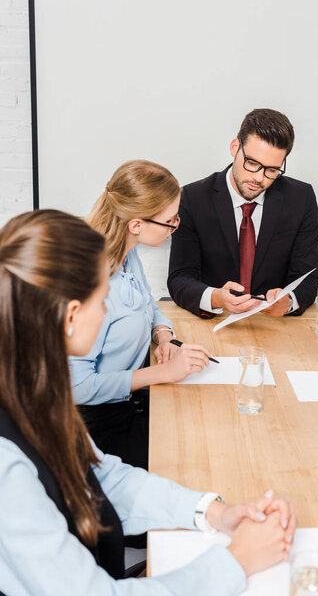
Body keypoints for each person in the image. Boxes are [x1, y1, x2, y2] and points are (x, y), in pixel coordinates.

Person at [0, 209, 296, 595]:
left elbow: (101, 478)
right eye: (103, 300)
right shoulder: (7, 465)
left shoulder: (35, 389)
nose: (108, 311)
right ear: (72, 315)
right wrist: (237, 561)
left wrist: (214, 512)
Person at [70, 160, 212, 470]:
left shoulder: (126, 251)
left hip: (131, 403)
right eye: (170, 221)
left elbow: (148, 303)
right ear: (137, 224)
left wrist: (165, 337)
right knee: (189, 460)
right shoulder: (90, 282)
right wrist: (162, 374)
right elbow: (77, 387)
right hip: (93, 427)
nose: (176, 227)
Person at [168, 108, 318, 318]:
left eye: (272, 170)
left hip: (274, 326)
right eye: (252, 163)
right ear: (234, 148)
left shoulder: (300, 198)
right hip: (214, 322)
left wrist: (288, 302)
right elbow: (179, 278)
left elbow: (310, 278)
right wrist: (216, 297)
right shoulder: (192, 198)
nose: (259, 178)